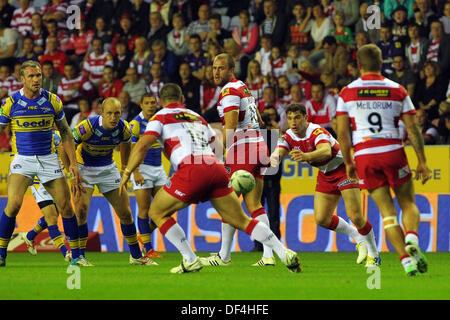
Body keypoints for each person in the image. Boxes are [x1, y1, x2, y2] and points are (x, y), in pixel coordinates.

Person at [119, 83, 301, 274]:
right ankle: (284, 252)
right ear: (182, 99)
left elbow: (141, 146)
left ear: (161, 102)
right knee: (241, 220)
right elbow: (216, 145)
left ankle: (190, 259)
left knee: (156, 212)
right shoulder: (198, 117)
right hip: (215, 167)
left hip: (191, 170)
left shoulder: (160, 117)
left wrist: (127, 172)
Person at [336, 44, 432, 277]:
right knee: (408, 202)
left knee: (387, 213)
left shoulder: (347, 92)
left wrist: (348, 162)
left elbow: (342, 132)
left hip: (365, 155)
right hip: (392, 150)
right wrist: (422, 161)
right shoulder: (397, 89)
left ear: (358, 66)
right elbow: (413, 128)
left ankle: (406, 262)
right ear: (381, 64)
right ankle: (412, 237)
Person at [271, 103, 380, 266]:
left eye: (297, 118)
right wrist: (269, 159)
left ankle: (374, 253)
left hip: (344, 170)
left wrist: (306, 155)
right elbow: (278, 153)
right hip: (326, 174)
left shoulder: (316, 131)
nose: (293, 122)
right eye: (290, 118)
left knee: (355, 216)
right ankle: (359, 239)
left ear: (306, 118)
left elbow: (326, 151)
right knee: (322, 218)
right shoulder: (288, 135)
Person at [0, 60, 83, 267]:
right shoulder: (10, 103)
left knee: (65, 208)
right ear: (22, 79)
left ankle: (76, 256)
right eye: (31, 76)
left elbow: (65, 132)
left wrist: (73, 163)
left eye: (38, 75)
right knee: (14, 205)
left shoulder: (52, 101)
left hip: (48, 159)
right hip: (22, 160)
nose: (37, 79)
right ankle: (1, 254)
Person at [201, 53, 276, 267]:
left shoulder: (230, 91)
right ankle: (268, 256)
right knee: (254, 205)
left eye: (221, 68)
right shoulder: (242, 86)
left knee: (228, 203)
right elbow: (259, 118)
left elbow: (231, 127)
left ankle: (224, 256)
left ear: (231, 69)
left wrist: (215, 153)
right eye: (214, 68)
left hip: (243, 148)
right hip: (258, 145)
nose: (216, 72)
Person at [71, 97, 156, 266]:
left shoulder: (124, 127)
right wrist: (72, 171)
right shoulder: (87, 126)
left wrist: (125, 168)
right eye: (109, 113)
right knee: (81, 211)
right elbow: (66, 145)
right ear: (101, 113)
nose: (113, 117)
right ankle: (78, 256)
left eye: (117, 113)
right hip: (84, 169)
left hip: (108, 169)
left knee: (125, 212)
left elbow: (126, 145)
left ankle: (136, 256)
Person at [129, 93, 166, 258]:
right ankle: (148, 248)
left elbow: (165, 145)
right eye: (147, 103)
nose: (151, 105)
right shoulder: (135, 124)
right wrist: (135, 171)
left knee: (165, 208)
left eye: (153, 102)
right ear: (140, 104)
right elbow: (132, 149)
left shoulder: (159, 121)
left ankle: (143, 235)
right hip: (142, 169)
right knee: (144, 209)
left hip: (158, 169)